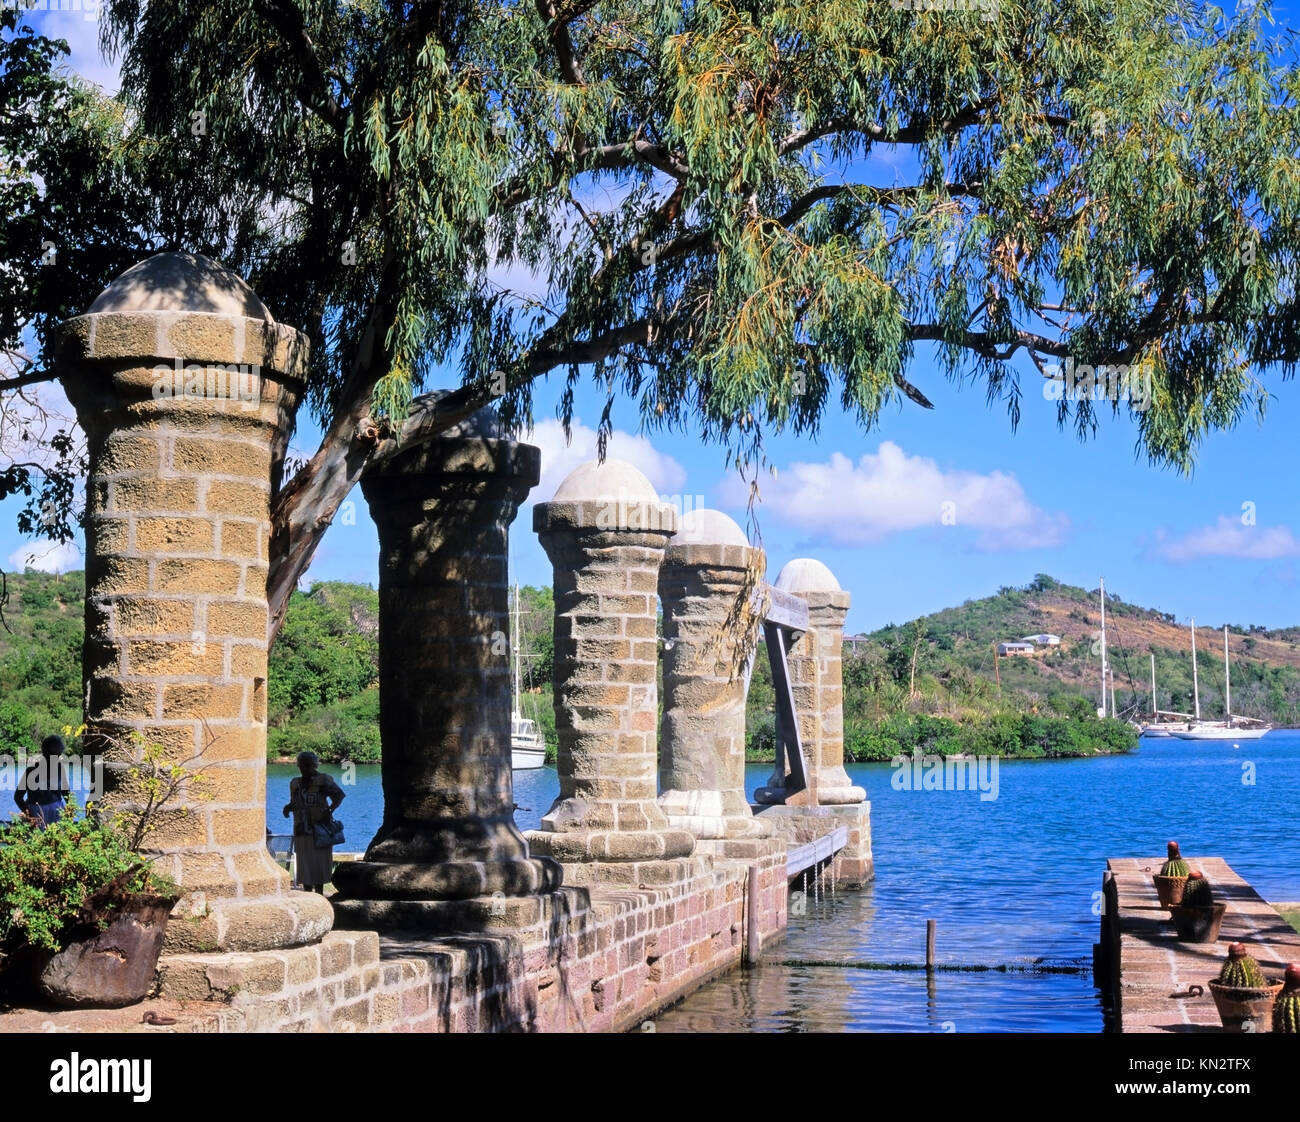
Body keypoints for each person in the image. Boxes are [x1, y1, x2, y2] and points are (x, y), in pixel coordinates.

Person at [282, 751, 345, 894]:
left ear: (314, 764)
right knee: (305, 865)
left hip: (320, 829)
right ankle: (308, 895)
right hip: (301, 829)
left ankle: (320, 895)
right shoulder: (295, 783)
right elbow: (295, 802)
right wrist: (288, 808)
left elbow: (339, 795)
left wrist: (330, 810)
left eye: (307, 765)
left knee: (319, 864)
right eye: (302, 765)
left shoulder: (324, 780)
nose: (304, 768)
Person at [13, 734, 70, 827]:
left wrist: (29, 814)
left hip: (44, 814)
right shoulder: (59, 769)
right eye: (58, 754)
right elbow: (67, 794)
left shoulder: (31, 771)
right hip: (47, 815)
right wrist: (30, 816)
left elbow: (17, 797)